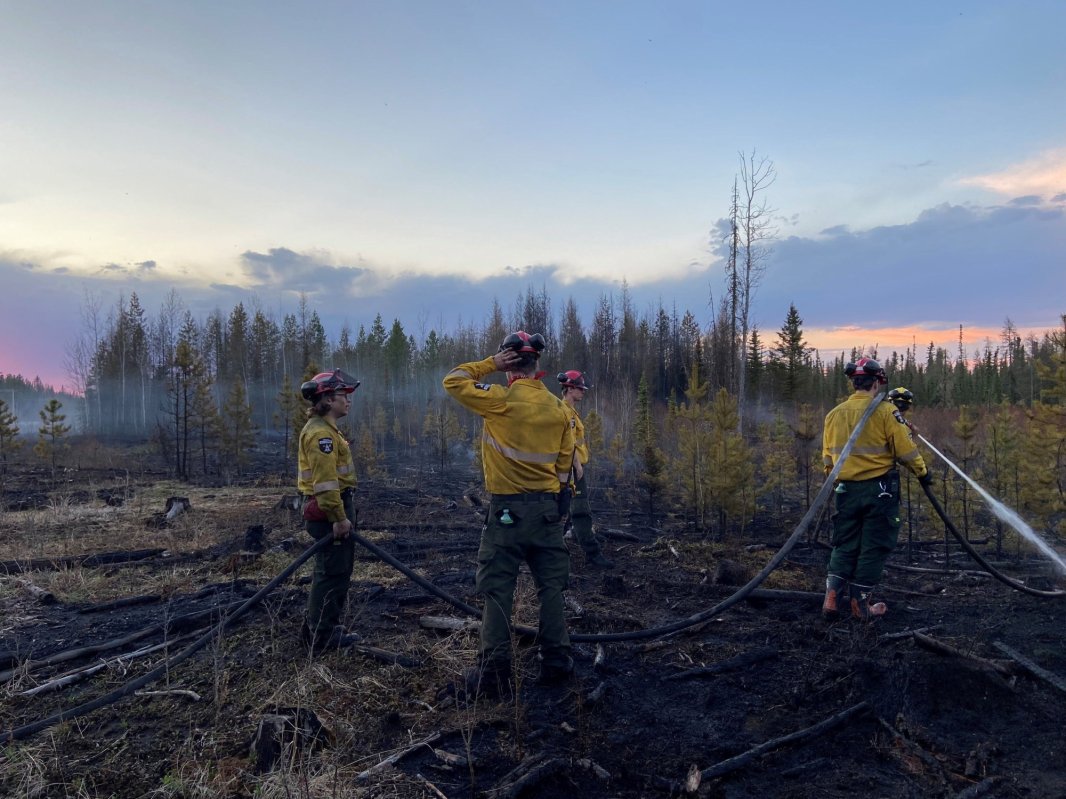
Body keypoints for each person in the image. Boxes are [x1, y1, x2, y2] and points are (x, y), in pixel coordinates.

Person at [443, 331, 576, 694]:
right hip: (548, 511)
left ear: (510, 367)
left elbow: (453, 381)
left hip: (506, 515)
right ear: (538, 367)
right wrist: (560, 505)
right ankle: (557, 662)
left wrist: (489, 363)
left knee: (498, 588)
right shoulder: (560, 409)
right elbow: (567, 467)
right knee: (551, 588)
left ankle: (495, 672)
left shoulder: (499, 400)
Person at [822, 358, 931, 620]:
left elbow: (827, 460)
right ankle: (861, 605)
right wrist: (923, 473)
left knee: (845, 543)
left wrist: (839, 481)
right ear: (877, 383)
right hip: (879, 491)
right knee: (874, 545)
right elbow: (905, 450)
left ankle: (832, 597)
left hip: (845, 491)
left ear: (853, 382)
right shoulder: (886, 412)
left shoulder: (833, 414)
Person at [297, 369, 360, 653]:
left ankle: (322, 626)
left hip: (335, 506)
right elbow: (325, 484)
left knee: (336, 570)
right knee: (331, 572)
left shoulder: (327, 431)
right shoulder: (321, 436)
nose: (348, 401)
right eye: (342, 396)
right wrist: (339, 517)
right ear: (327, 400)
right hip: (329, 511)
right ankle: (322, 635)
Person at [557, 370, 614, 569]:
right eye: (580, 388)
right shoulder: (563, 411)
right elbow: (567, 443)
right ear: (569, 388)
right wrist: (576, 464)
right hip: (572, 470)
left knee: (567, 511)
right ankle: (593, 554)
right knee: (581, 511)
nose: (583, 392)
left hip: (573, 468)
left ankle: (558, 544)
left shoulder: (571, 411)